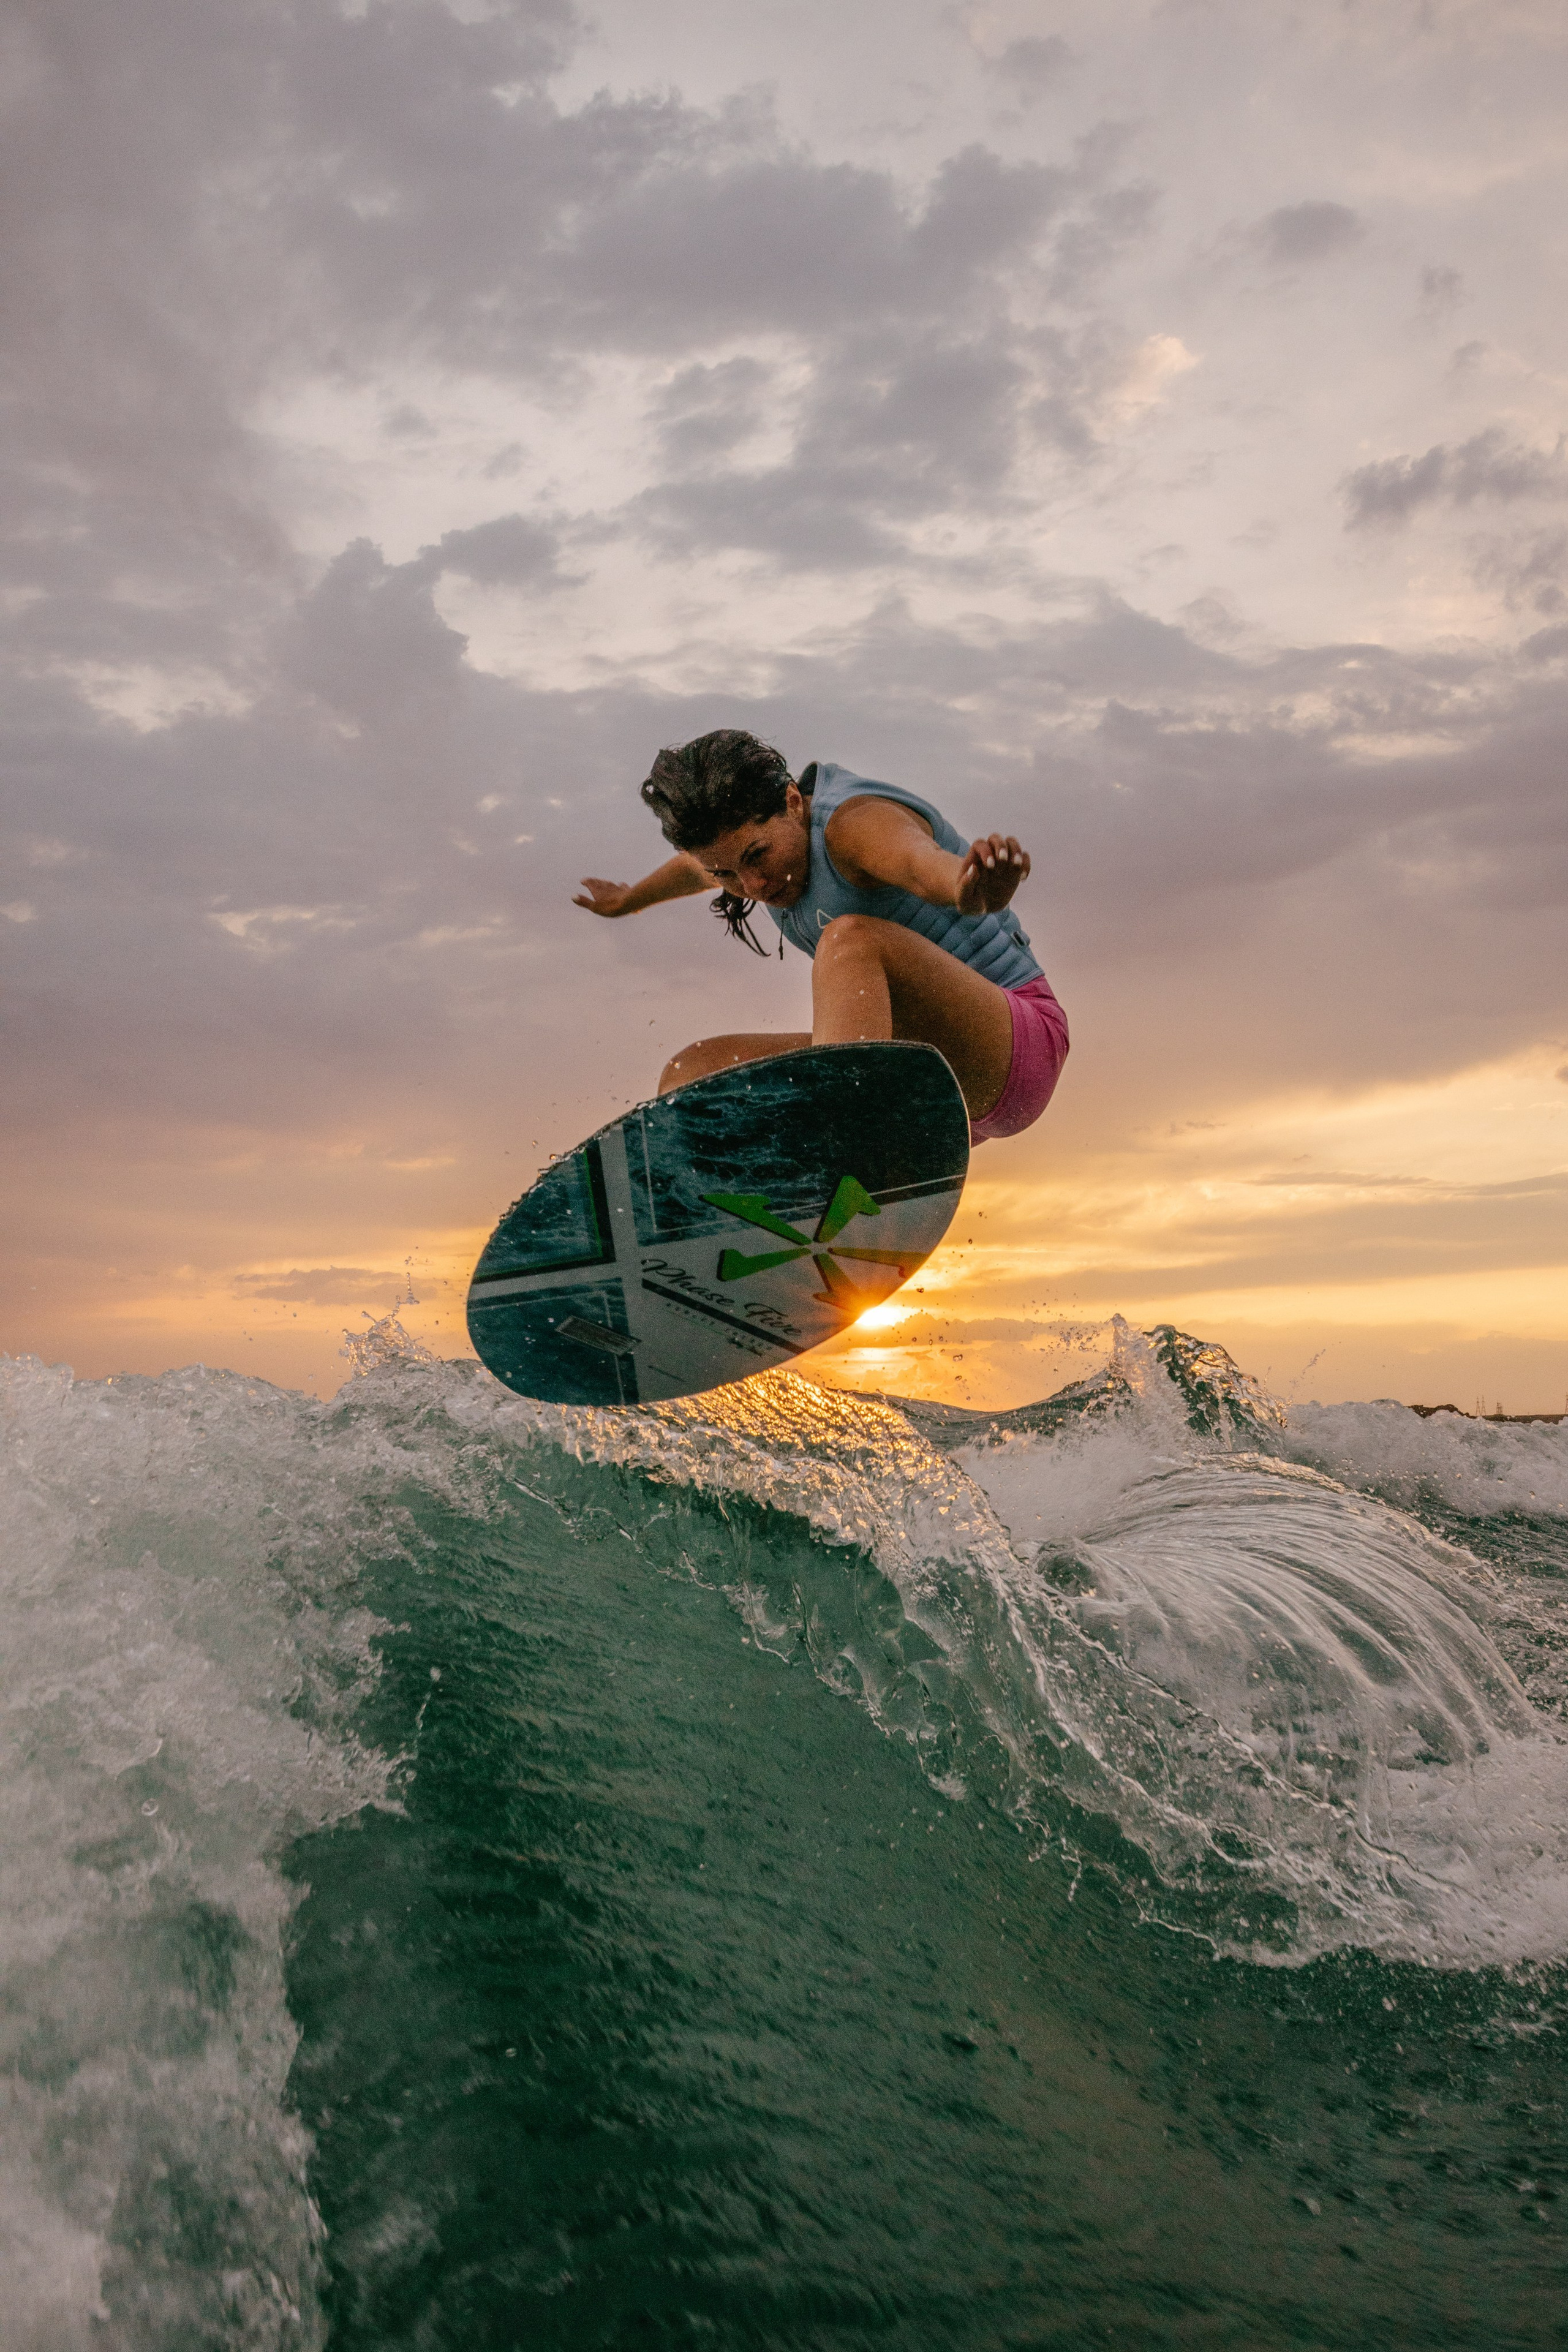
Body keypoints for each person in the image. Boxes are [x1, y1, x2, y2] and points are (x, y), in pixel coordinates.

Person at [573, 728, 1068, 1142]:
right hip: (923, 1087)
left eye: (757, 858)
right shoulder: (742, 856)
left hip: (1013, 1057)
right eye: (725, 874)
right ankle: (738, 1215)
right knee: (693, 1077)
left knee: (849, 940)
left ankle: (838, 1144)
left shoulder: (852, 826)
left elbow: (924, 868)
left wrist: (975, 887)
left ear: (792, 801)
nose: (753, 887)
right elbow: (691, 871)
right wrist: (628, 901)